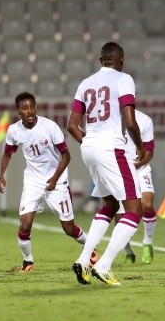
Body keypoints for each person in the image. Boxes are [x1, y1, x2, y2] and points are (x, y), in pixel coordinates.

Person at [67, 41, 144, 287]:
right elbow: (130, 122)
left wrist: (90, 142)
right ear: (120, 60)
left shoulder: (85, 83)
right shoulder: (124, 79)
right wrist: (141, 147)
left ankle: (83, 260)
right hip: (111, 146)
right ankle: (104, 264)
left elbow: (71, 124)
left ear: (101, 60)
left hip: (88, 147)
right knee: (134, 209)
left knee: (110, 204)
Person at [0, 91, 97, 273]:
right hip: (33, 182)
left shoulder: (50, 127)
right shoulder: (14, 131)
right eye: (24, 108)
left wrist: (54, 179)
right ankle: (28, 261)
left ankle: (89, 249)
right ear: (18, 111)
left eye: (32, 106)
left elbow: (66, 156)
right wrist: (1, 174)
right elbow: (8, 153)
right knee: (25, 224)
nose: (30, 111)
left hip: (57, 181)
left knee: (68, 227)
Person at [109, 109, 157, 265]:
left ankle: (147, 242)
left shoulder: (145, 120)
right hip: (118, 171)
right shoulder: (110, 119)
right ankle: (128, 251)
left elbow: (149, 152)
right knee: (120, 216)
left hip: (140, 168)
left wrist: (137, 165)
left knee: (147, 204)